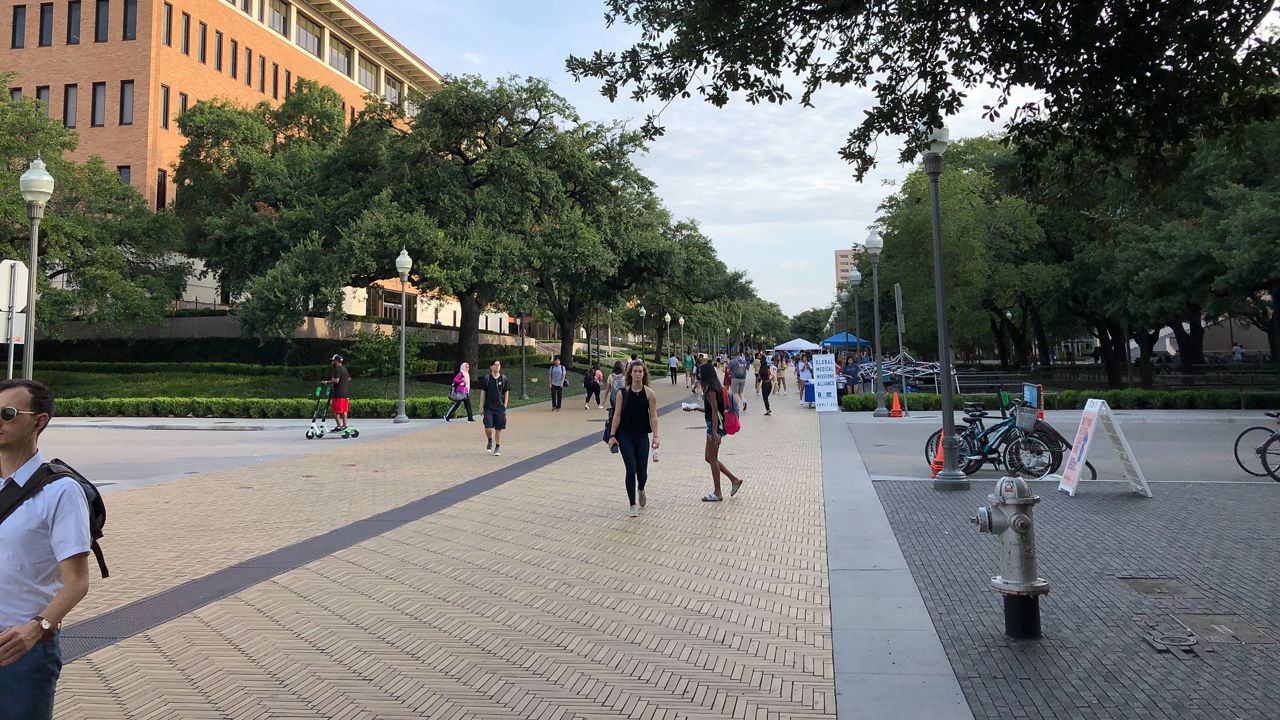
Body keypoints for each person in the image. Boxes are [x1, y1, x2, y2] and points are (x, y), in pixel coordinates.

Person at [0, 379, 90, 720]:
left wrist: (37, 628)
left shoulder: (60, 491)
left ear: (39, 421)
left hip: (20, 650)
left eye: (8, 414)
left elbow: (77, 582)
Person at [606, 361, 660, 517]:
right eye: (635, 371)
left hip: (642, 435)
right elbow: (616, 416)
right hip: (625, 436)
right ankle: (632, 504)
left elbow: (654, 416)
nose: (637, 374)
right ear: (630, 374)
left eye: (640, 371)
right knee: (631, 469)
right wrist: (612, 435)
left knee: (642, 472)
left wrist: (656, 436)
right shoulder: (622, 393)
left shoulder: (650, 394)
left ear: (644, 374)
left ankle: (641, 489)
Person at [696, 355, 743, 502]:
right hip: (716, 425)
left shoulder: (711, 389)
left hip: (714, 426)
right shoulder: (717, 387)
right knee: (709, 457)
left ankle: (718, 492)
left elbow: (715, 411)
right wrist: (696, 409)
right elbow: (713, 410)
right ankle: (733, 479)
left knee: (712, 458)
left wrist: (715, 432)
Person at [481, 360, 510, 456]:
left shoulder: (504, 378)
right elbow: (483, 392)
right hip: (488, 407)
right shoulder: (487, 378)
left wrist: (505, 404)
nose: (497, 367)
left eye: (498, 365)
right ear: (491, 367)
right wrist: (481, 405)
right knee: (488, 427)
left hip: (499, 407)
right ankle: (490, 439)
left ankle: (497, 446)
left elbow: (506, 391)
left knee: (498, 428)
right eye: (495, 365)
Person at [320, 354, 351, 432]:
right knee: (344, 411)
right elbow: (348, 378)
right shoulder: (344, 369)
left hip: (338, 393)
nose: (332, 362)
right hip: (345, 393)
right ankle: (344, 426)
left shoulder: (337, 369)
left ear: (336, 361)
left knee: (335, 412)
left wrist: (327, 382)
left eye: (333, 360)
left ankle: (339, 426)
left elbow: (336, 380)